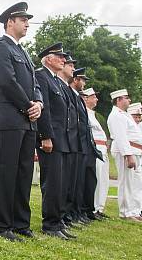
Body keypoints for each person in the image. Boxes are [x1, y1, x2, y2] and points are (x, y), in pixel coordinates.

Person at [0, 2, 43, 242]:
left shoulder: (23, 52)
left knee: (23, 173)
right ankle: (3, 225)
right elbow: (7, 81)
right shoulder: (0, 47)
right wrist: (28, 105)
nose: (27, 23)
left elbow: (35, 84)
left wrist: (39, 103)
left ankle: (21, 223)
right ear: (10, 22)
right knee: (6, 172)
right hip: (8, 119)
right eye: (23, 19)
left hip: (26, 121)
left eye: (27, 20)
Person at [34, 43, 73, 240]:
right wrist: (45, 136)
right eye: (59, 56)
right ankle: (50, 224)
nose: (63, 60)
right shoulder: (42, 75)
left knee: (61, 183)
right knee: (52, 183)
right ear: (48, 59)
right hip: (51, 139)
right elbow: (45, 109)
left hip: (62, 140)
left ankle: (58, 222)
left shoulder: (56, 81)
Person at [69, 68, 102, 222]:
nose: (83, 83)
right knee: (76, 182)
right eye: (82, 79)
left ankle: (82, 211)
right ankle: (75, 212)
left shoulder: (83, 106)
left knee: (86, 181)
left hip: (86, 147)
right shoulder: (75, 99)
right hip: (77, 145)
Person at [107, 89, 142, 222]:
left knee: (134, 183)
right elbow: (121, 137)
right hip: (127, 151)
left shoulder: (124, 114)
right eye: (126, 98)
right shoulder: (116, 115)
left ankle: (134, 210)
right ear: (118, 100)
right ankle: (126, 212)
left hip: (135, 150)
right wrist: (128, 155)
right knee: (126, 183)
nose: (129, 100)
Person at [58, 53, 83, 228]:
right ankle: (57, 219)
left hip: (72, 142)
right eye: (70, 65)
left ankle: (66, 216)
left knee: (70, 183)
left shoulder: (68, 90)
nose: (72, 68)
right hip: (60, 140)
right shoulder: (55, 84)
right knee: (58, 183)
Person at [81, 88, 110, 219]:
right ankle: (92, 207)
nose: (96, 99)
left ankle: (98, 207)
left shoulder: (93, 114)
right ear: (86, 98)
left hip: (102, 149)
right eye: (93, 96)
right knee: (95, 178)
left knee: (103, 180)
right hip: (95, 148)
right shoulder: (84, 112)